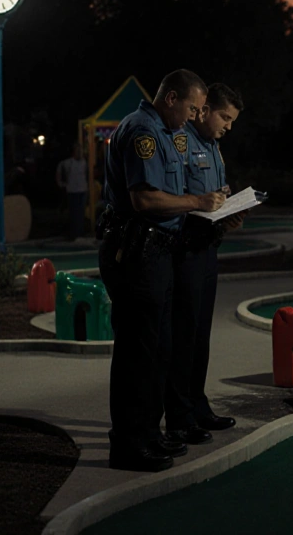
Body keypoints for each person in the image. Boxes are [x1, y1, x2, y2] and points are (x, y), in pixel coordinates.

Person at [96, 69, 225, 473]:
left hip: (159, 252)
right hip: (138, 251)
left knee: (158, 349)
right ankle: (128, 444)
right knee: (138, 351)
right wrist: (198, 203)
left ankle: (149, 433)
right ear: (171, 98)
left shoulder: (168, 132)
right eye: (193, 108)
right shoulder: (144, 132)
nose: (195, 116)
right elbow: (146, 200)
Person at [165, 83, 246, 443]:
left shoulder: (213, 148)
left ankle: (198, 407)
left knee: (200, 336)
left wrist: (230, 214)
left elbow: (215, 197)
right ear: (205, 110)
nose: (228, 126)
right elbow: (175, 198)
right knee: (183, 337)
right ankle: (179, 417)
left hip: (208, 249)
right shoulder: (180, 142)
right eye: (225, 117)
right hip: (184, 250)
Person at [56, 143, 89, 239]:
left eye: (80, 151)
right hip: (72, 191)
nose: (79, 153)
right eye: (78, 150)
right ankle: (74, 233)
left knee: (81, 212)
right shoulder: (67, 163)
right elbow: (59, 173)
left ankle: (80, 232)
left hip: (82, 190)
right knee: (74, 213)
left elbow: (86, 174)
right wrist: (61, 184)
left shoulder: (84, 162)